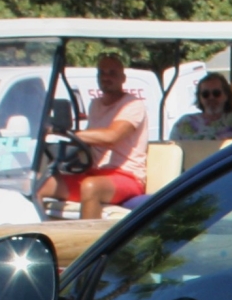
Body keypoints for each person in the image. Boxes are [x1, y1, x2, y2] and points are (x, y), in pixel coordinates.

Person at [40, 52, 151, 219]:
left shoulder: (132, 104)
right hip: (95, 172)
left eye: (112, 73)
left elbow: (111, 137)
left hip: (127, 176)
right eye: (102, 73)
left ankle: (90, 242)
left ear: (123, 78)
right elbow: (89, 140)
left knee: (90, 187)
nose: (106, 78)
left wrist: (69, 133)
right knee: (41, 184)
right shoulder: (95, 104)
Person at [173, 72, 232, 145]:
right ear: (199, 98)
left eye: (216, 93)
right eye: (205, 94)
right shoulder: (184, 123)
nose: (211, 97)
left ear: (227, 95)